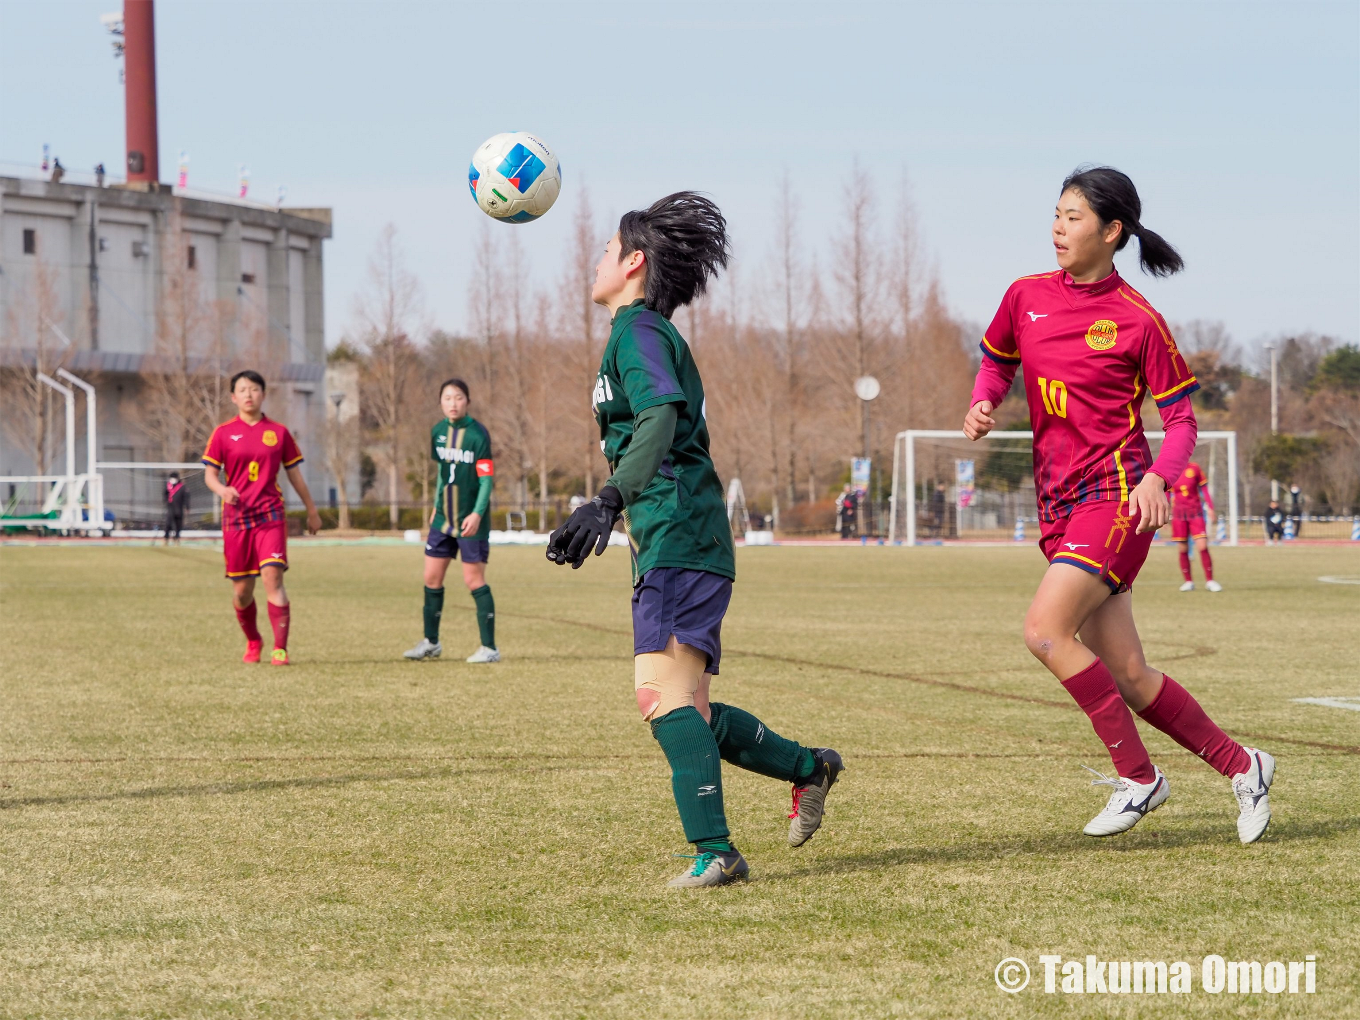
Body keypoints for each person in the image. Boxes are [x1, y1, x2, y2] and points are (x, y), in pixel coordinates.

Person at [963, 166, 1273, 844]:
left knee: (1045, 632)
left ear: (1112, 232)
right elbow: (996, 360)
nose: (1057, 227)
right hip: (1057, 502)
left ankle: (1139, 777)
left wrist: (1160, 477)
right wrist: (985, 397)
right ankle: (1244, 766)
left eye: (1073, 217)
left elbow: (1183, 421)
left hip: (1116, 498)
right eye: (1056, 213)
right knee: (1131, 676)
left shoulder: (1138, 320)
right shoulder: (1025, 296)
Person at [546, 192, 844, 888]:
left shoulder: (639, 333)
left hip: (680, 531)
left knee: (662, 698)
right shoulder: (636, 334)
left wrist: (608, 498)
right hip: (672, 535)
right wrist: (613, 509)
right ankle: (808, 767)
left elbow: (656, 419)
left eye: (605, 251)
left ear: (633, 263)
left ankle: (718, 852)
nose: (595, 262)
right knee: (691, 707)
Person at [202, 370, 321, 665]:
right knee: (242, 591)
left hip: (270, 515)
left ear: (263, 394)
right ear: (233, 397)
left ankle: (280, 648)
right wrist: (222, 490)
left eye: (254, 389)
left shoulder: (279, 433)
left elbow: (295, 475)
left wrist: (312, 510)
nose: (248, 394)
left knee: (273, 577)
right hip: (237, 517)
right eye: (242, 389)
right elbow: (209, 474)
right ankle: (253, 640)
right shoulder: (223, 433)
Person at [404, 378, 498, 664]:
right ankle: (431, 643)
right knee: (431, 578)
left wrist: (477, 513)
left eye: (458, 398)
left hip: (471, 522)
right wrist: (435, 506)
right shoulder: (438, 432)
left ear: (467, 401)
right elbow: (443, 474)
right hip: (443, 518)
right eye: (447, 398)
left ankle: (489, 648)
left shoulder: (478, 435)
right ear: (440, 402)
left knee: (473, 580)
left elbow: (486, 480)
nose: (453, 403)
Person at [1170, 461, 1220, 591]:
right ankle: (1188, 581)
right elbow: (1166, 493)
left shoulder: (1194, 468)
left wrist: (1210, 507)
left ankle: (1210, 581)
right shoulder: (1171, 469)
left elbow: (1204, 489)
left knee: (1202, 546)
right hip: (1179, 514)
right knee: (1182, 548)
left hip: (1195, 512)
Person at [160, 471, 189, 545]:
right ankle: (166, 538)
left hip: (179, 508)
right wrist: (166, 501)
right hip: (170, 508)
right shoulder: (168, 486)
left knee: (178, 524)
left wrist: (187, 507)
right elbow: (165, 495)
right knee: (168, 524)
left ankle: (176, 538)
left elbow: (186, 498)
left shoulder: (182, 487)